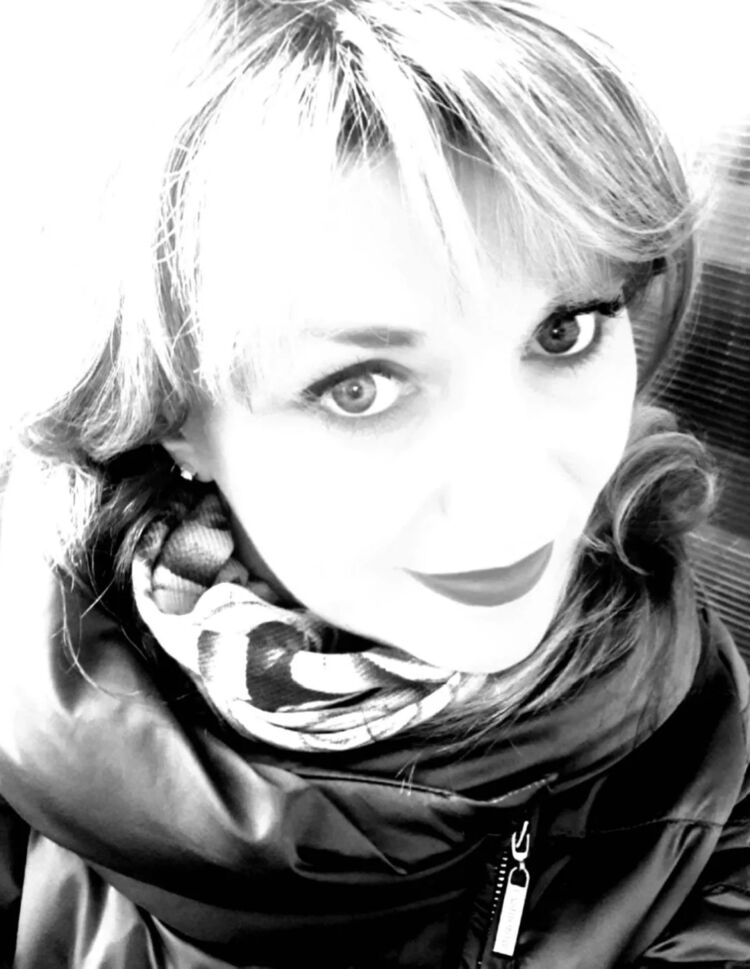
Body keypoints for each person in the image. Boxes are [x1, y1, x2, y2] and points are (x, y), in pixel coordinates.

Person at [0, 1, 747, 966]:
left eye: (563, 333)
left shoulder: (703, 765)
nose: (518, 500)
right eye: (360, 388)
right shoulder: (25, 722)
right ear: (175, 415)